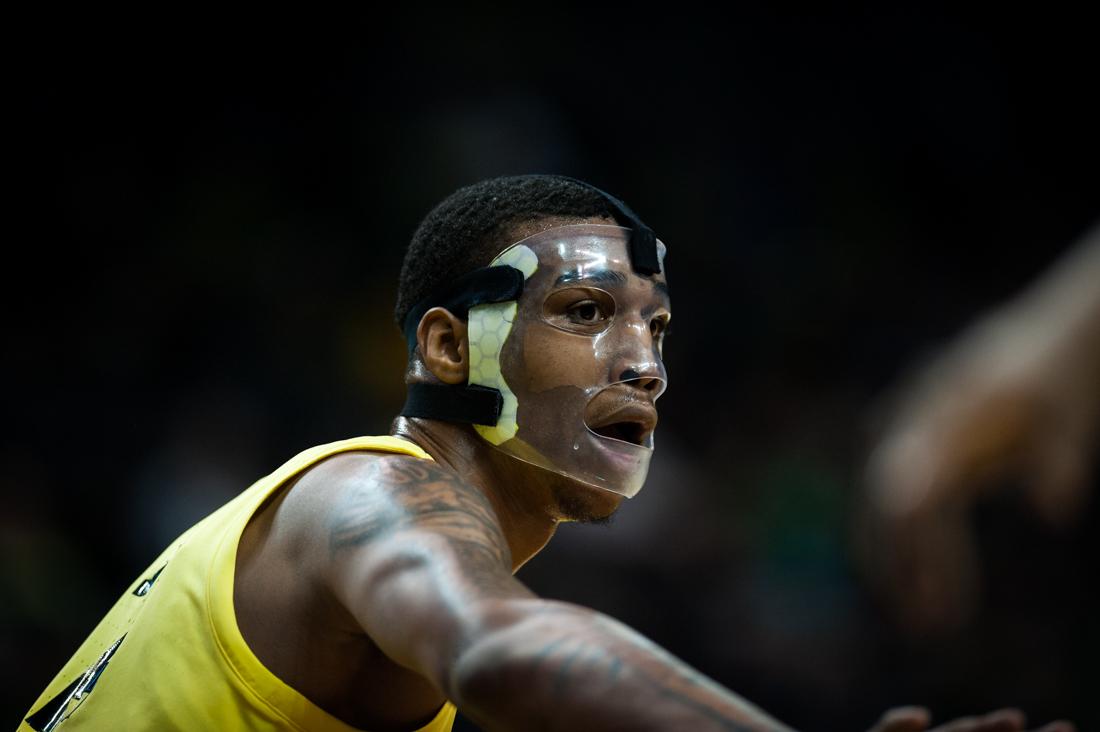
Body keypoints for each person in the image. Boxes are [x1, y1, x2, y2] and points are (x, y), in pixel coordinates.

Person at [21, 176, 1070, 732]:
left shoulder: (347, 598)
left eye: (656, 330)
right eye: (584, 312)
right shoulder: (365, 492)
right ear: (444, 344)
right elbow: (508, 656)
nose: (644, 365)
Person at [862, 223, 1100, 634]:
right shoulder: (961, 441)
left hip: (1041, 363)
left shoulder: (910, 458)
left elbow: (904, 493)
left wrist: (940, 587)